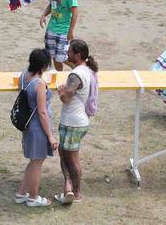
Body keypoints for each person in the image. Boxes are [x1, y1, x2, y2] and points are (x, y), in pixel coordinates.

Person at [54, 39, 97, 206]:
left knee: (72, 158)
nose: (67, 54)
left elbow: (66, 97)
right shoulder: (85, 69)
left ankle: (76, 192)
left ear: (77, 55)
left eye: (70, 52)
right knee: (65, 154)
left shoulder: (75, 75)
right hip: (77, 121)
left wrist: (61, 91)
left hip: (72, 122)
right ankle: (69, 188)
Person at [14, 46, 58, 206]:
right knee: (37, 162)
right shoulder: (39, 84)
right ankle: (33, 197)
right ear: (43, 66)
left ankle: (21, 193)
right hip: (37, 128)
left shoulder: (23, 76)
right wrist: (51, 136)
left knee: (34, 161)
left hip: (27, 126)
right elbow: (42, 112)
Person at [40, 0, 78, 71]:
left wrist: (70, 31)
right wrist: (44, 15)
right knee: (53, 56)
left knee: (62, 57)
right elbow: (51, 5)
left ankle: (78, 71)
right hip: (51, 28)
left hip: (63, 30)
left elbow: (75, 12)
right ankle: (58, 77)